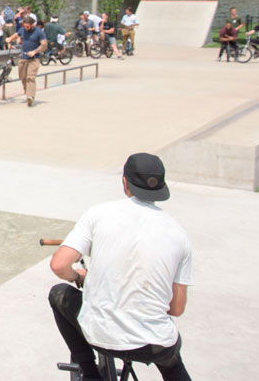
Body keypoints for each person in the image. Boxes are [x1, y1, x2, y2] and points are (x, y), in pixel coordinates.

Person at [49, 153, 192, 381]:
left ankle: (90, 373)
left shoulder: (98, 214)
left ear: (124, 182)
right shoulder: (179, 235)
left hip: (99, 336)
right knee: (173, 366)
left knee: (58, 294)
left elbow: (59, 265)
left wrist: (78, 277)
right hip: (154, 344)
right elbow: (176, 308)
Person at [7, 15, 47, 107]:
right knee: (23, 77)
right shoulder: (22, 30)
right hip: (23, 57)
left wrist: (35, 51)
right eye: (25, 26)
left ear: (32, 24)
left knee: (30, 77)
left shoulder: (39, 32)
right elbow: (16, 35)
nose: (26, 28)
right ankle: (27, 90)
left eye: (28, 26)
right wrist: (10, 38)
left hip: (34, 58)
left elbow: (44, 45)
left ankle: (30, 96)